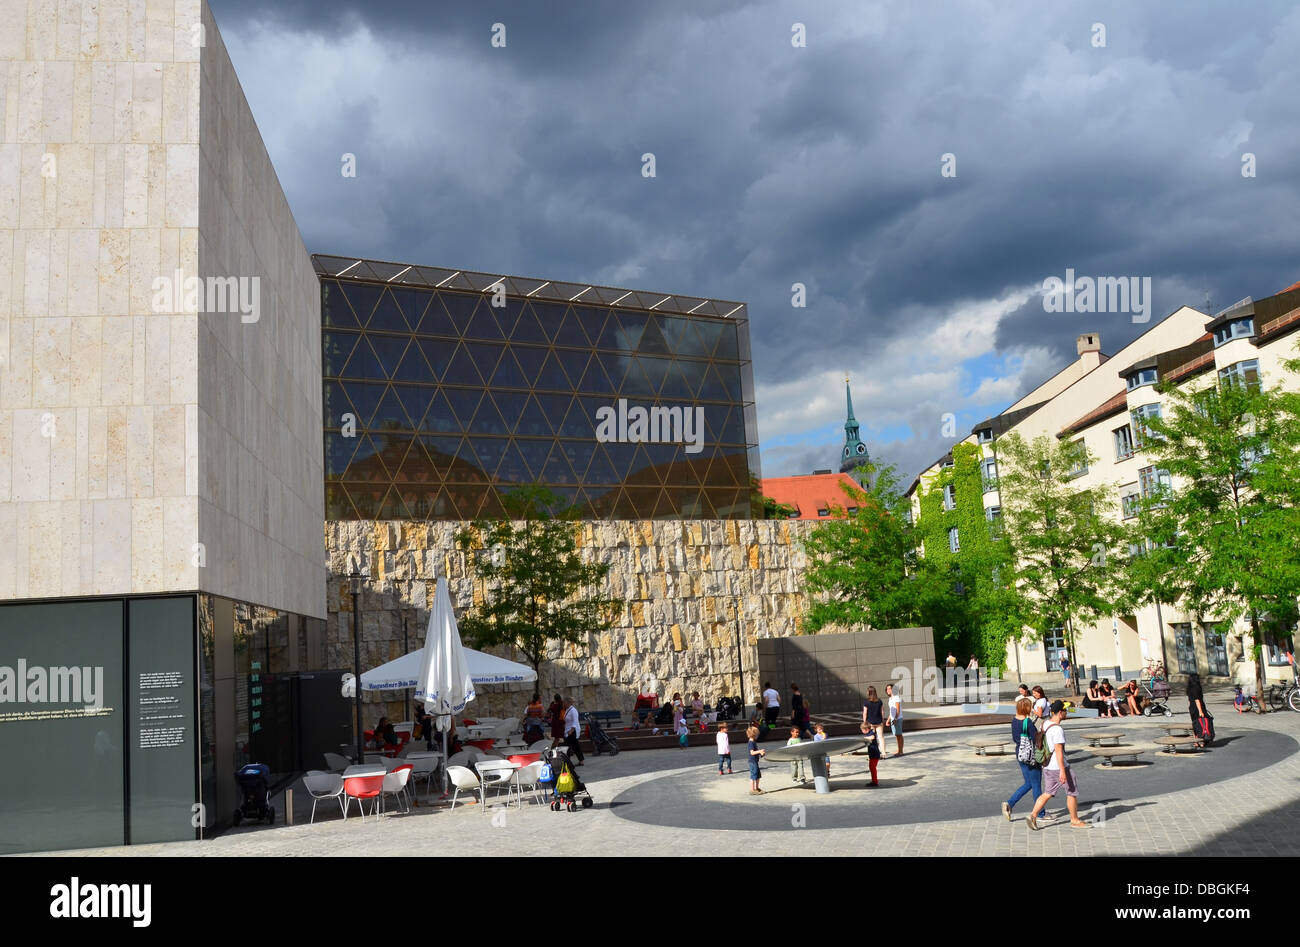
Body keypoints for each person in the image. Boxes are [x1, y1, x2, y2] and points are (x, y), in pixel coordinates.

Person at [1027, 700, 1091, 830]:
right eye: (1065, 710)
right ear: (1060, 713)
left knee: (1048, 793)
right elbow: (1059, 752)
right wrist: (1063, 770)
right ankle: (1074, 820)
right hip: (1059, 766)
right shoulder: (1057, 730)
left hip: (1047, 765)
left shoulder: (1045, 724)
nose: (1067, 713)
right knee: (1072, 792)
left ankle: (1033, 815)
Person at [1002, 697, 1044, 821]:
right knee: (1036, 785)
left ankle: (1010, 804)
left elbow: (1015, 738)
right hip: (1031, 755)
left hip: (1020, 753)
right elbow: (1036, 738)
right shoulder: (1028, 722)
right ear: (1026, 708)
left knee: (1028, 783)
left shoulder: (1014, 721)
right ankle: (1040, 813)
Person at [1187, 672, 1213, 747]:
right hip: (1198, 708)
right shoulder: (1196, 687)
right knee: (1202, 724)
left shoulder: (1189, 688)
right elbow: (1197, 700)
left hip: (1192, 707)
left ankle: (1196, 741)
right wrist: (1200, 711)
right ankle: (1202, 740)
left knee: (1195, 724)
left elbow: (1189, 699)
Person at [561, 697, 585, 764]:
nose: (563, 704)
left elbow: (575, 721)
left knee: (567, 746)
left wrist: (571, 730)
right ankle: (581, 760)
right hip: (568, 730)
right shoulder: (567, 710)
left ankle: (567, 761)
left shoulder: (573, 710)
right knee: (575, 746)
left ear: (568, 703)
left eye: (564, 702)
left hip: (572, 731)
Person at [862, 685, 885, 751]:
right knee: (881, 738)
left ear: (869, 692)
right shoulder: (880, 701)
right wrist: (882, 720)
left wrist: (864, 722)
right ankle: (883, 753)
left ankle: (874, 753)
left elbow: (865, 713)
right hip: (879, 722)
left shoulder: (866, 702)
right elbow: (882, 712)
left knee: (872, 738)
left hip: (870, 723)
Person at [886, 682, 904, 756]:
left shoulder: (896, 697)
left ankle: (901, 751)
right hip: (893, 719)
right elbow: (891, 711)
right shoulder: (890, 699)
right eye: (887, 689)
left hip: (898, 719)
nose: (888, 690)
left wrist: (896, 718)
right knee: (897, 735)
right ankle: (899, 750)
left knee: (899, 735)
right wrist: (888, 720)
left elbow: (898, 710)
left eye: (889, 688)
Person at [746, 725, 766, 794]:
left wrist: (761, 754)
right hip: (752, 762)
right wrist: (759, 751)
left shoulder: (753, 742)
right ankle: (752, 790)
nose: (758, 736)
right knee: (753, 775)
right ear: (754, 735)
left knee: (758, 775)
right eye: (757, 734)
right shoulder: (751, 743)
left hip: (755, 761)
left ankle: (757, 788)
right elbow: (752, 752)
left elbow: (755, 752)